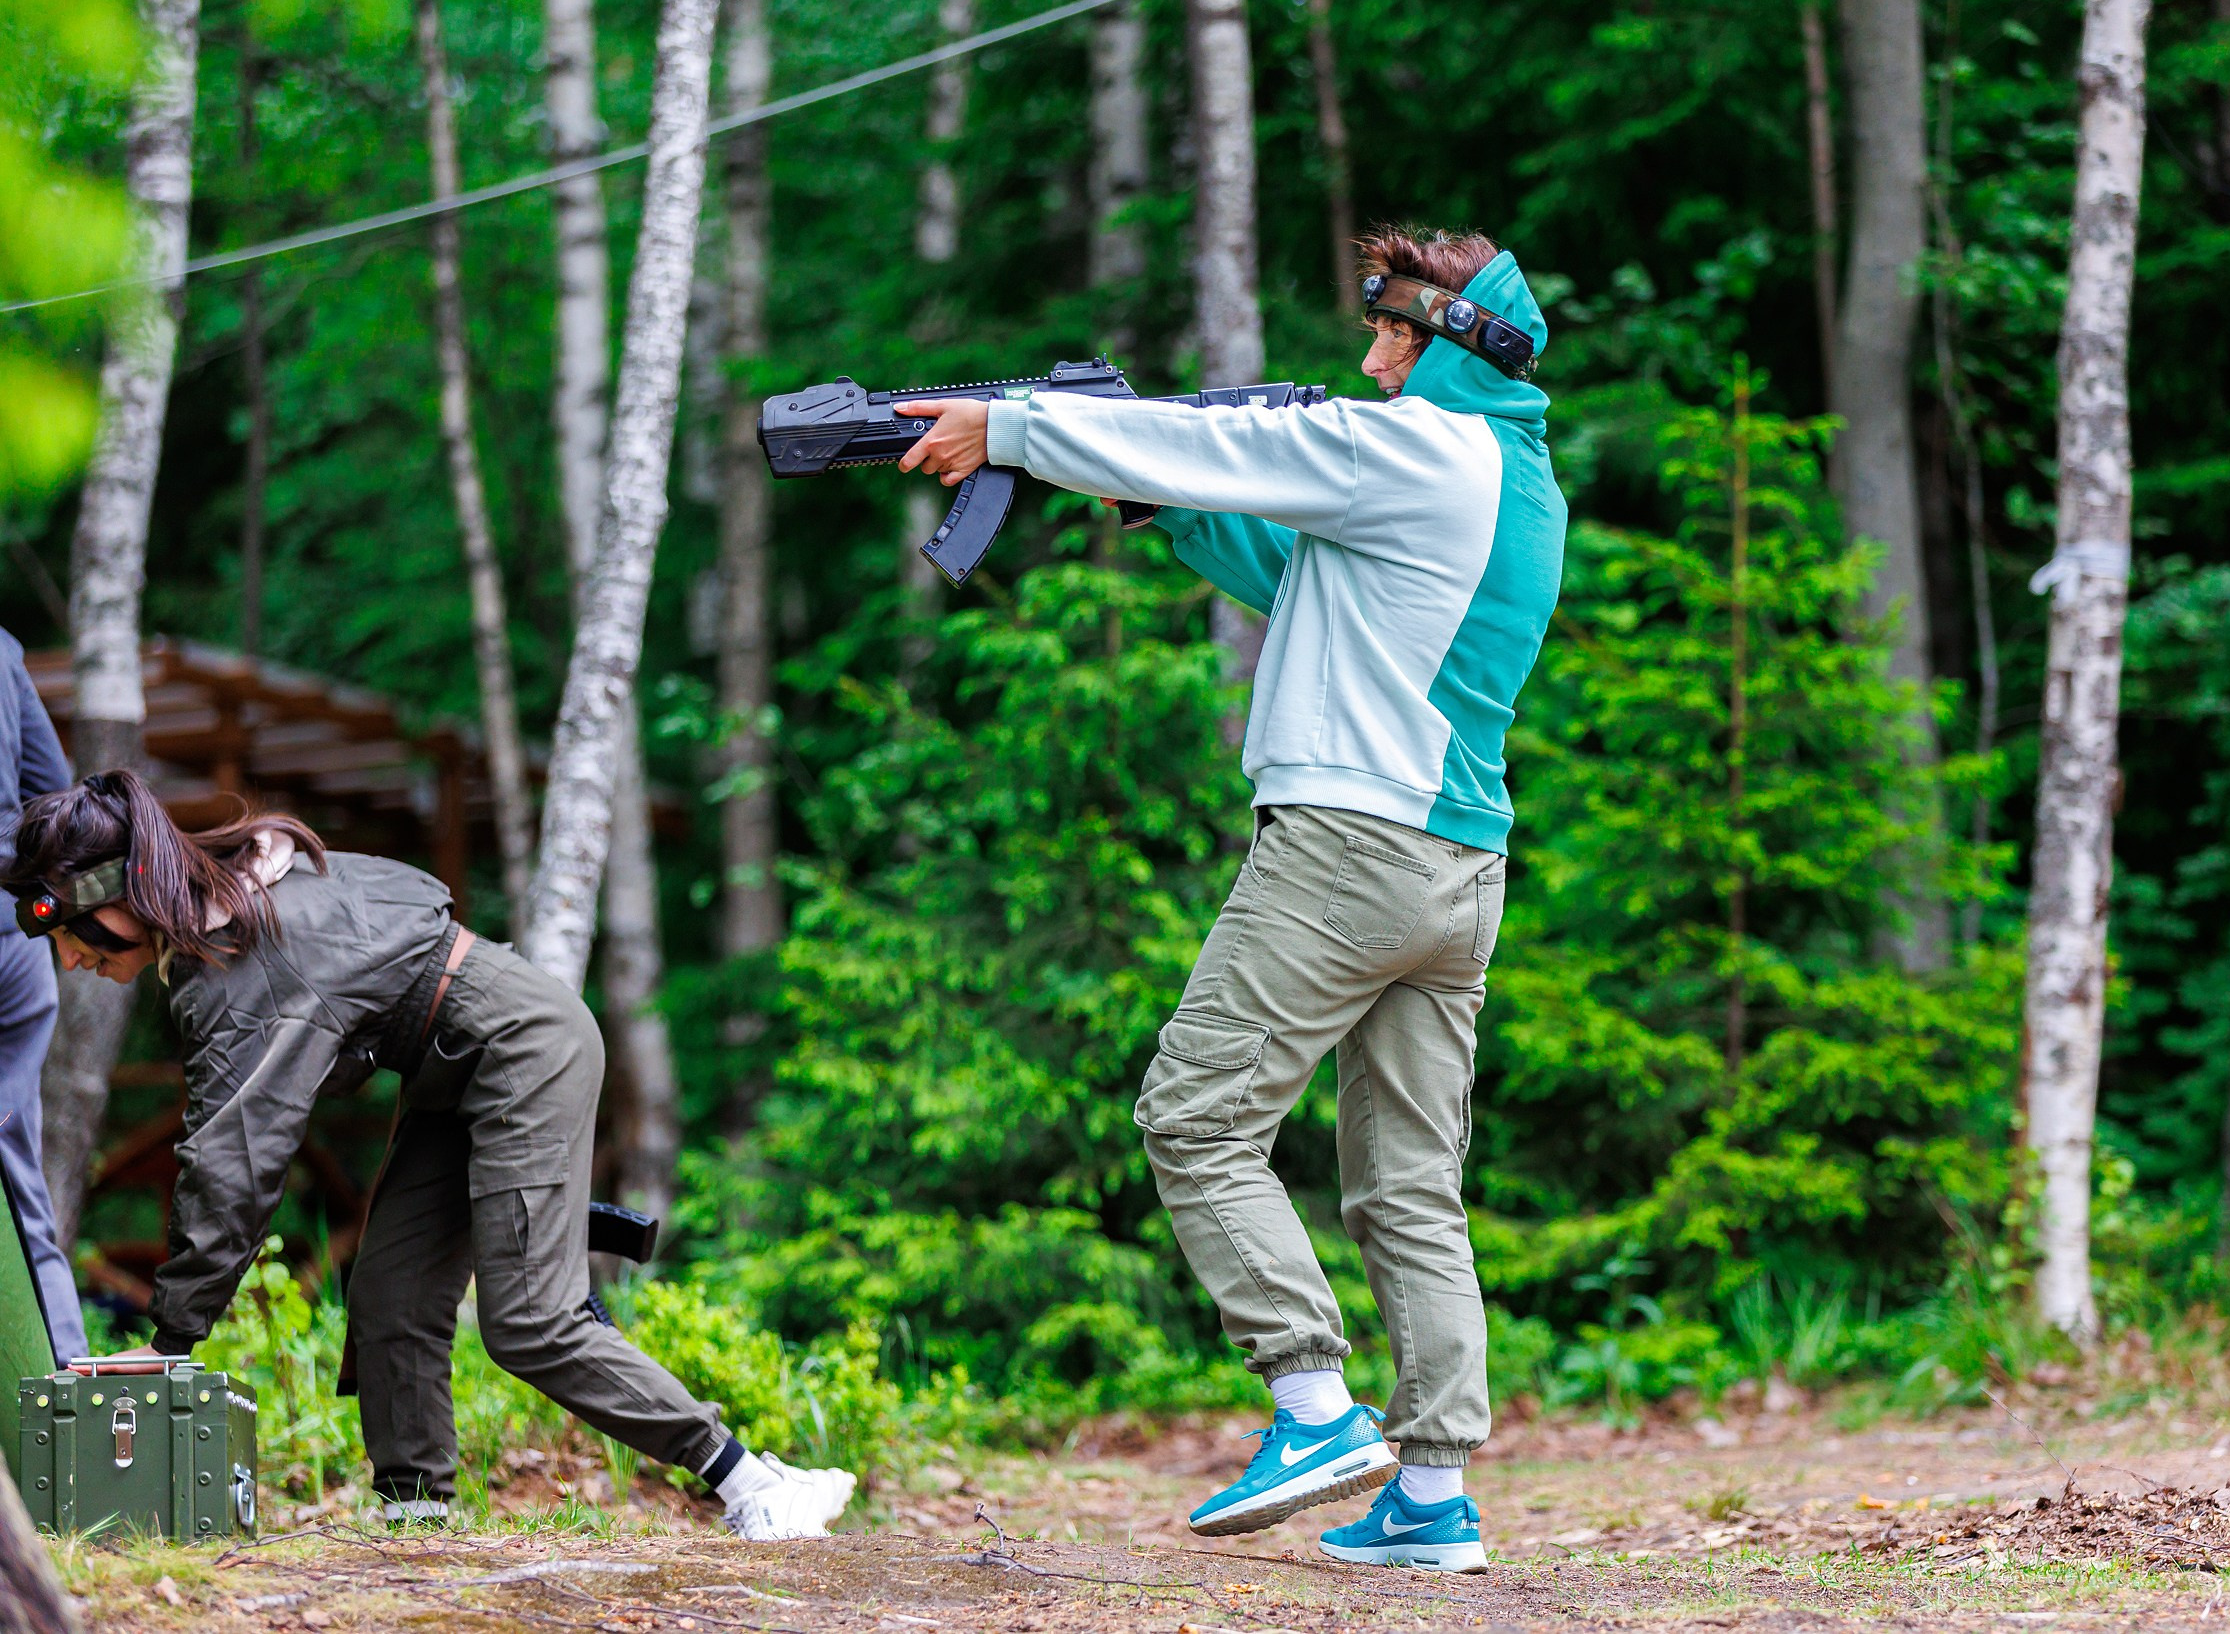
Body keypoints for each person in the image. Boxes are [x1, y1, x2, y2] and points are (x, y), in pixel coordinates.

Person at [896, 227, 1566, 1572]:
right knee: (1410, 1187)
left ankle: (1313, 1404)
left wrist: (1012, 429)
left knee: (1193, 1114)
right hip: (1458, 868)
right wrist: (1141, 489)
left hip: (1351, 849)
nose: (1372, 361)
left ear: (1461, 343)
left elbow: (1237, 454)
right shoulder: (1512, 482)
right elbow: (1295, 568)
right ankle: (1433, 1495)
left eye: (1397, 337)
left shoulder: (1422, 446)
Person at [6, 772, 856, 1539]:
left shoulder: (240, 966)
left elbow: (233, 1162)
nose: (74, 957)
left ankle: (757, 1483)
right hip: (456, 1071)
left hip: (521, 1043)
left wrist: (169, 1341)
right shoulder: (236, 904)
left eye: (77, 931)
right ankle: (416, 1519)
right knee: (391, 1290)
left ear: (124, 891)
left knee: (530, 1323)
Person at [0, 626, 83, 1363]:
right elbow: (55, 788)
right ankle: (72, 1409)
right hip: (13, 932)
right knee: (18, 1177)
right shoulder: (1, 649)